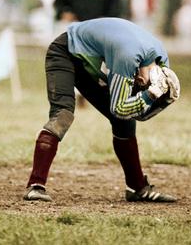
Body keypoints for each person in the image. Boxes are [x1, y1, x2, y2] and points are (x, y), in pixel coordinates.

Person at [24, 18, 181, 202]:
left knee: (125, 122)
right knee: (63, 115)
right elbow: (119, 108)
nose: (140, 84)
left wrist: (152, 98)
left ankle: (137, 187)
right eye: (144, 84)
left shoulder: (161, 64)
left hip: (88, 61)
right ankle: (35, 185)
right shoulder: (128, 56)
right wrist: (149, 96)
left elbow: (135, 114)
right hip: (65, 52)